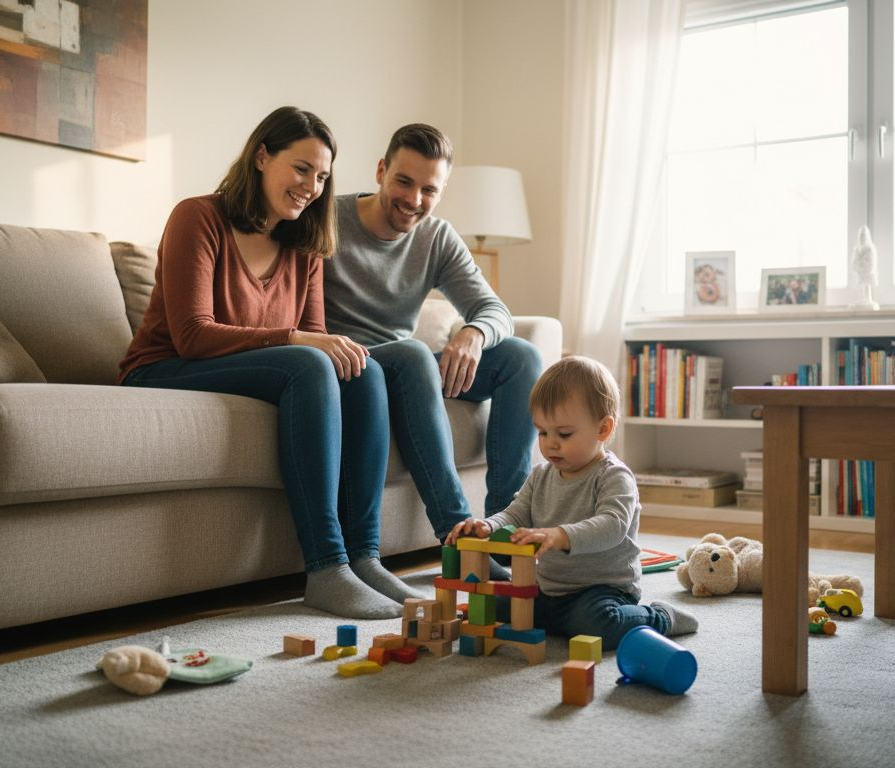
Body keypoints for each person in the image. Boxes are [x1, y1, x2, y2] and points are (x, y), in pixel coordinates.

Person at [118, 107, 417, 620]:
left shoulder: (305, 245)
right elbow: (192, 335)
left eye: (321, 177)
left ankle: (364, 558)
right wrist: (298, 339)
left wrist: (319, 345)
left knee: (362, 368)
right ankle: (325, 567)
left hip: (245, 371)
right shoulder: (198, 216)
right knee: (309, 363)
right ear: (262, 156)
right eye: (301, 168)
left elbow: (319, 338)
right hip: (164, 368)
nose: (312, 186)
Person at [323, 123, 541, 579]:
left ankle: (503, 533)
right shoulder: (329, 220)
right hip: (352, 368)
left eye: (429, 189)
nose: (414, 199)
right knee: (414, 353)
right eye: (403, 181)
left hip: (411, 369)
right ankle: (459, 536)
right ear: (381, 170)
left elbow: (492, 308)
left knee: (522, 356)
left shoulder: (436, 237)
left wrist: (474, 333)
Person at [444, 356, 698, 650]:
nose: (550, 443)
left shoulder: (614, 477)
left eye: (563, 434)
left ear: (602, 429)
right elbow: (516, 513)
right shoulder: (541, 475)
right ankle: (555, 617)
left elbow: (612, 526)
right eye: (542, 432)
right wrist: (487, 526)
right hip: (547, 587)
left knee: (598, 625)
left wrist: (560, 535)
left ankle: (660, 617)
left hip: (601, 590)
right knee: (495, 603)